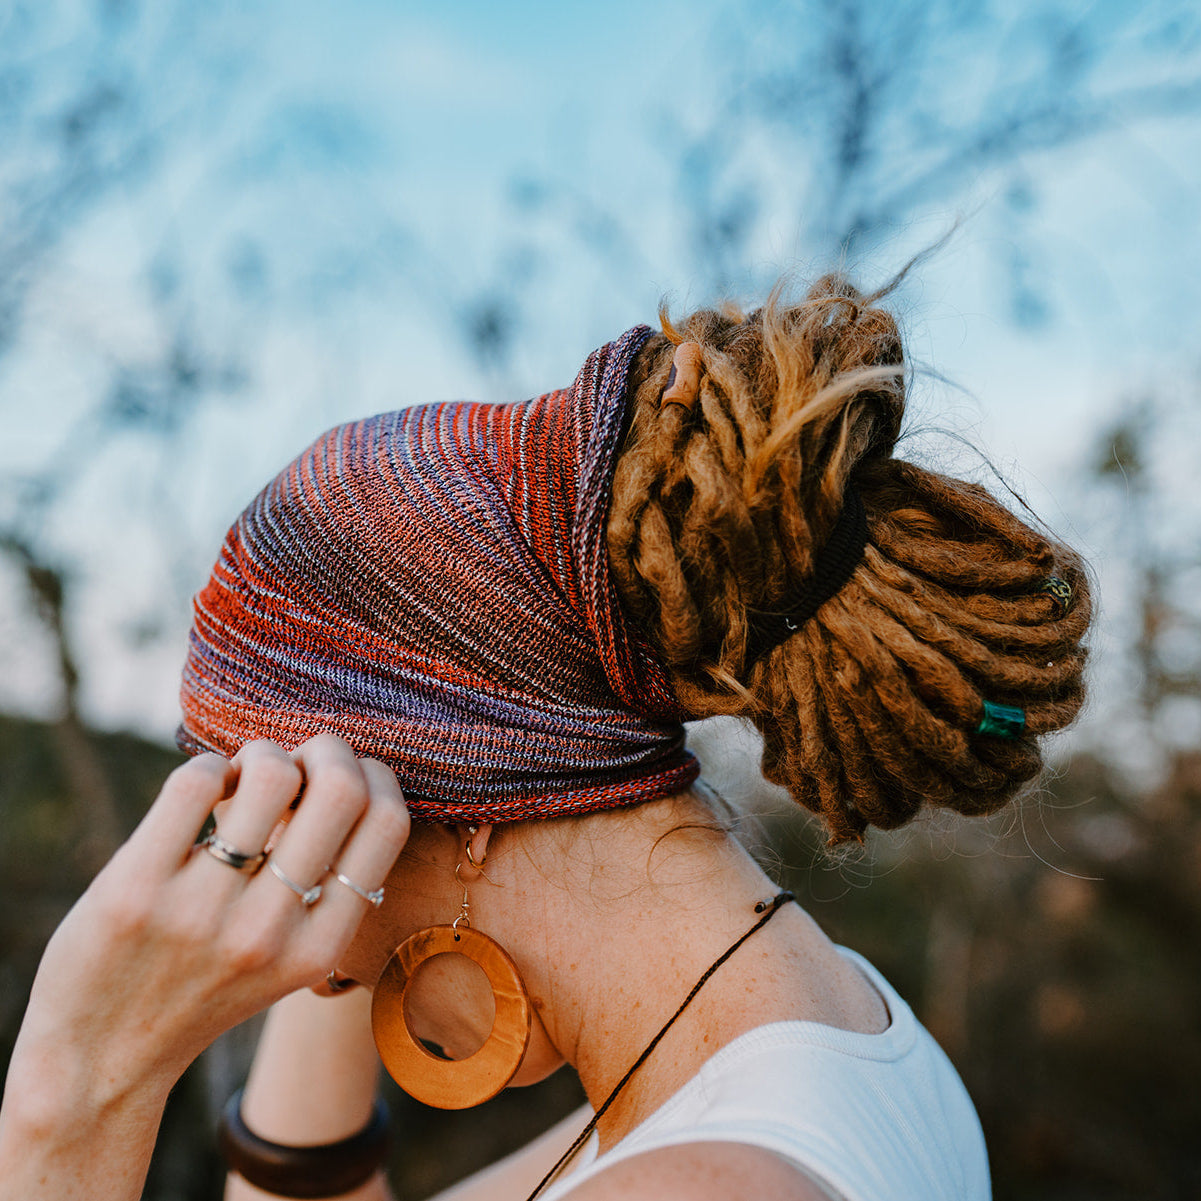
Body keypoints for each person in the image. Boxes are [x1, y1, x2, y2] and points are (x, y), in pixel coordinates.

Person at [0, 274, 1090, 1201]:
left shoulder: (703, 1179)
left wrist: (75, 1090)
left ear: (465, 813)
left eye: (286, 826)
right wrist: (343, 885)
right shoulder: (828, 1035)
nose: (306, 947)